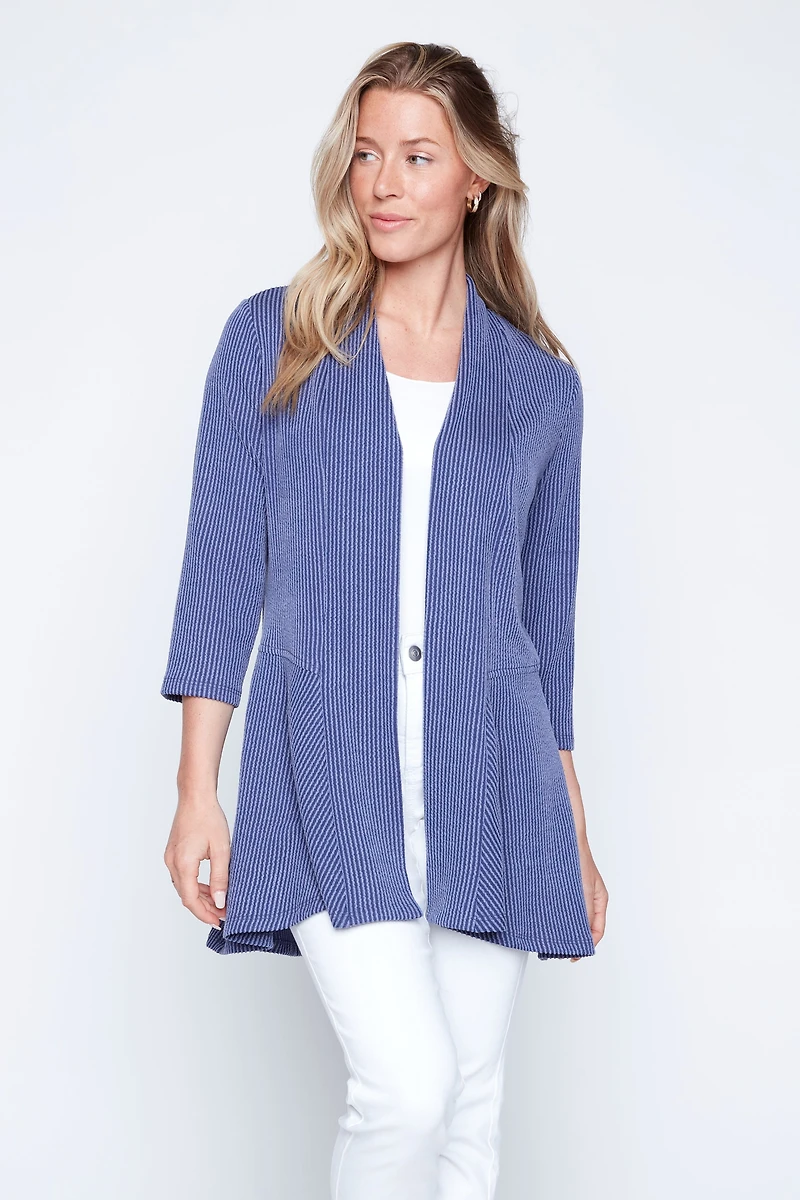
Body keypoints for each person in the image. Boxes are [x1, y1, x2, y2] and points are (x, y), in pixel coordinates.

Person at [160, 40, 608, 1200]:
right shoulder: (277, 339)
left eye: (416, 156)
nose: (382, 183)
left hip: (490, 782)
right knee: (406, 1088)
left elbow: (543, 635)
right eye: (365, 155)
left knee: (467, 1113)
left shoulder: (540, 388)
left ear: (477, 178)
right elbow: (222, 571)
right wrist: (197, 788)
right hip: (330, 773)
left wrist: (569, 830)